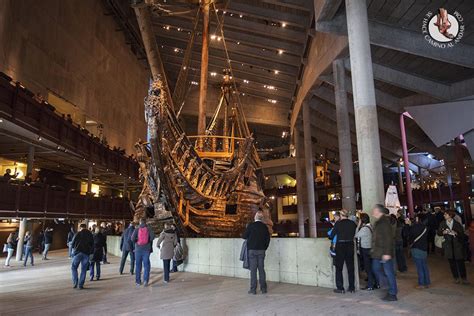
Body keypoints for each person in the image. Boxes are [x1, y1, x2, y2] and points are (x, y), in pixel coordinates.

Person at [371, 204, 398, 301]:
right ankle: (387, 286)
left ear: (379, 211)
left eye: (374, 210)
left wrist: (387, 253)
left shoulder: (384, 222)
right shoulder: (378, 222)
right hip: (378, 252)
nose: (373, 211)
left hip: (384, 252)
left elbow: (388, 238)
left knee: (389, 272)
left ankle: (392, 292)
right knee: (376, 269)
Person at [243, 210, 271, 295]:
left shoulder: (251, 226)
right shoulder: (265, 227)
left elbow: (244, 236)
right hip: (261, 251)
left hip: (252, 251)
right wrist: (264, 248)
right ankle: (263, 289)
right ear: (262, 218)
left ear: (255, 217)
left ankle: (253, 289)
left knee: (253, 270)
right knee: (261, 270)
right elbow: (268, 239)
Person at [329, 209, 357, 294]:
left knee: (339, 267)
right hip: (350, 245)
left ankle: (340, 288)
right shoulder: (353, 224)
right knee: (350, 267)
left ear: (341, 215)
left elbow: (331, 236)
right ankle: (352, 288)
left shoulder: (338, 223)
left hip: (340, 246)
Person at [437, 210, 468, 284]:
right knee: (452, 263)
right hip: (448, 246)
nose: (444, 215)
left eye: (445, 214)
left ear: (450, 215)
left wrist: (456, 233)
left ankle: (463, 278)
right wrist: (443, 232)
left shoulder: (457, 224)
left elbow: (462, 236)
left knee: (460, 263)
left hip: (457, 246)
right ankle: (456, 277)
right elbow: (439, 232)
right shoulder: (442, 223)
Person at [406, 214, 430, 289]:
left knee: (419, 267)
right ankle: (427, 282)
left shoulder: (414, 227)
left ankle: (421, 283)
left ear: (417, 219)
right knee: (424, 266)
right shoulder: (426, 227)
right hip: (424, 248)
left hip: (416, 248)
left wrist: (408, 226)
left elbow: (407, 236)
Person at [355, 213, 378, 291]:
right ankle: (377, 284)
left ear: (362, 220)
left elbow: (356, 235)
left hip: (366, 250)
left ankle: (370, 285)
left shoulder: (364, 229)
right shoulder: (371, 226)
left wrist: (358, 226)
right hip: (372, 249)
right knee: (373, 267)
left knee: (368, 268)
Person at [131, 218, 155, 287]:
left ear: (140, 222)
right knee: (146, 266)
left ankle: (138, 281)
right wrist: (147, 241)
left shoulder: (137, 229)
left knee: (138, 266)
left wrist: (137, 241)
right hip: (146, 250)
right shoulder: (149, 228)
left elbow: (132, 238)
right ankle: (145, 281)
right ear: (145, 222)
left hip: (138, 249)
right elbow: (153, 236)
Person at [71, 223, 94, 289]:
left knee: (74, 267)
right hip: (86, 254)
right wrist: (91, 253)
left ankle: (75, 282)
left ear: (80, 227)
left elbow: (72, 244)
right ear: (86, 227)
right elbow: (92, 245)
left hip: (77, 253)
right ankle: (81, 285)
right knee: (83, 269)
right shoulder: (90, 234)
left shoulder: (77, 233)